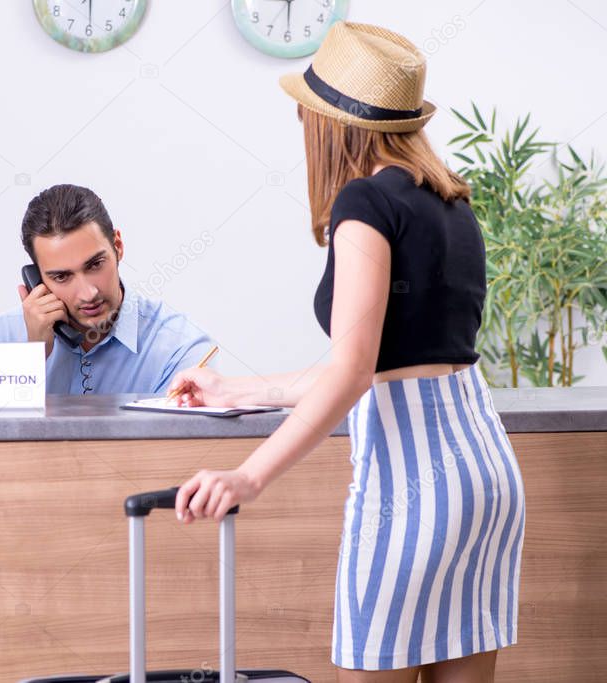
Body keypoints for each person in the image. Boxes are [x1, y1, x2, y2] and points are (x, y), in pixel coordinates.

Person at [168, 22, 525, 683]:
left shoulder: (364, 202)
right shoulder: (450, 199)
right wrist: (238, 390)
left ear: (329, 122)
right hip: (485, 477)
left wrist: (248, 475)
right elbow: (390, 359)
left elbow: (356, 371)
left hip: (410, 489)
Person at [0, 183, 216, 394]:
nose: (89, 294)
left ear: (117, 246)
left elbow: (180, 437)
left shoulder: (180, 348)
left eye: (95, 265)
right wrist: (31, 358)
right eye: (61, 276)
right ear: (37, 278)